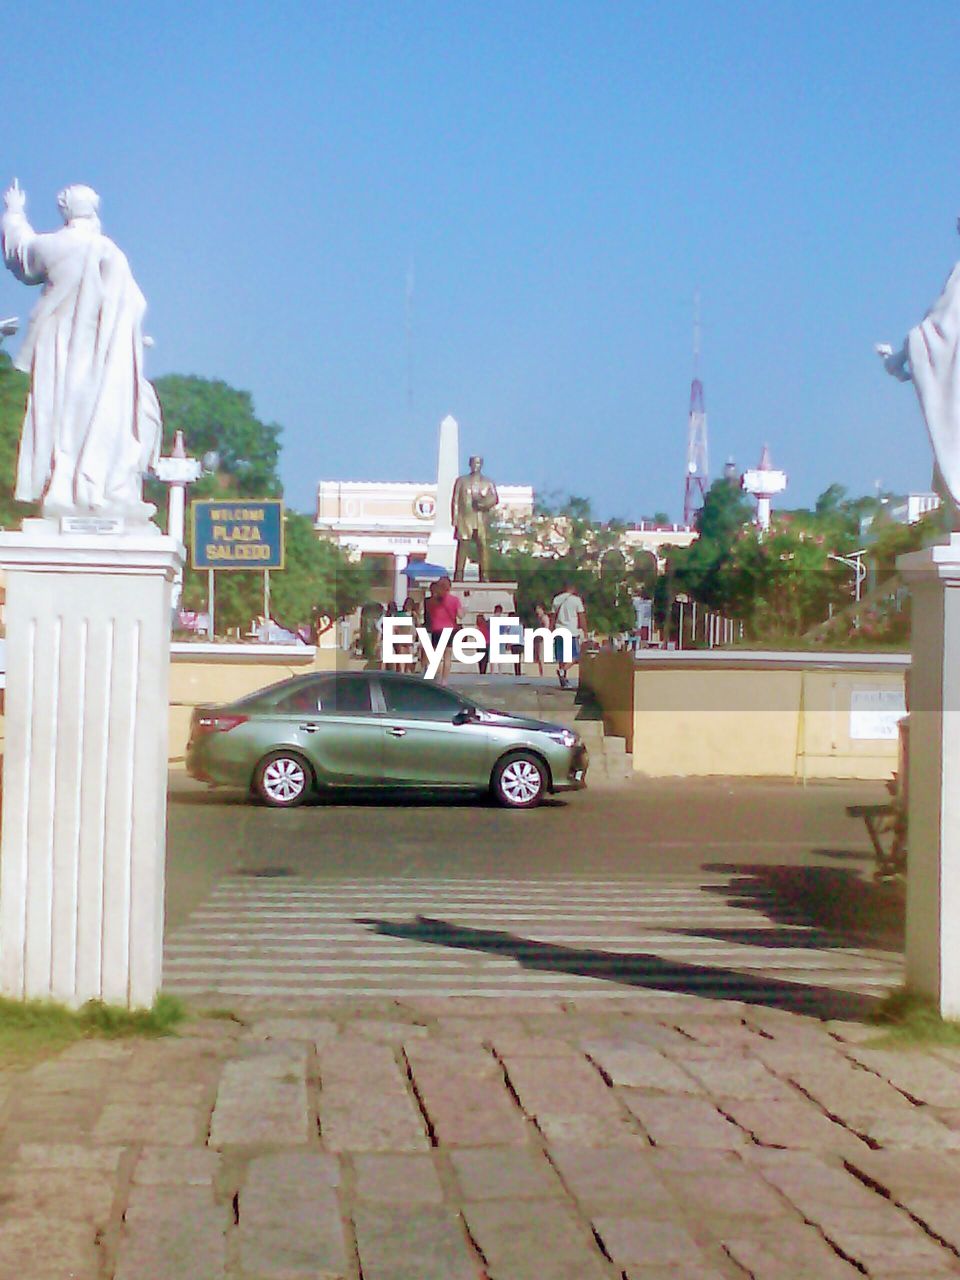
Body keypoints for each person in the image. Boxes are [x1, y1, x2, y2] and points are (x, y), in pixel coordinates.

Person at [1, 180, 161, 517]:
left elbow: (21, 251)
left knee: (58, 416)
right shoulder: (109, 252)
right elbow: (134, 303)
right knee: (97, 413)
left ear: (64, 209)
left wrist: (14, 213)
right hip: (103, 352)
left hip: (56, 346)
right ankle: (91, 486)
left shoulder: (53, 246)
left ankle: (62, 485)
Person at [422, 575, 462, 684]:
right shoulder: (455, 600)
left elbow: (428, 615)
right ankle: (444, 681)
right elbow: (460, 615)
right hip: (450, 629)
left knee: (436, 656)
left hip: (437, 629)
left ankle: (437, 676)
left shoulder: (432, 601)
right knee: (447, 656)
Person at [552, 581, 587, 689]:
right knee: (576, 655)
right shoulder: (576, 600)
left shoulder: (557, 599)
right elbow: (581, 616)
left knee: (562, 657)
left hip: (559, 630)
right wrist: (585, 630)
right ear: (572, 588)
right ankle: (563, 671)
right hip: (571, 631)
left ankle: (563, 680)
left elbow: (553, 616)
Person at [533, 603, 552, 676]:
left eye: (538, 609)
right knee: (538, 657)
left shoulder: (544, 617)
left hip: (542, 639)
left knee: (541, 656)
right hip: (539, 638)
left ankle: (542, 673)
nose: (537, 611)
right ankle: (541, 672)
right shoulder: (539, 618)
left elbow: (546, 627)